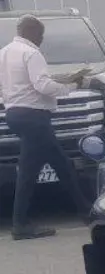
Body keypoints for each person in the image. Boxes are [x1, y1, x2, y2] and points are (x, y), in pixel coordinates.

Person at [1, 15, 91, 240]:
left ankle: (85, 210)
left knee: (62, 164)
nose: (41, 40)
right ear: (32, 33)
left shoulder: (3, 53)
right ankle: (20, 225)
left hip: (15, 114)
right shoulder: (32, 53)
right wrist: (71, 86)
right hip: (34, 117)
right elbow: (42, 84)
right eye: (40, 35)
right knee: (29, 172)